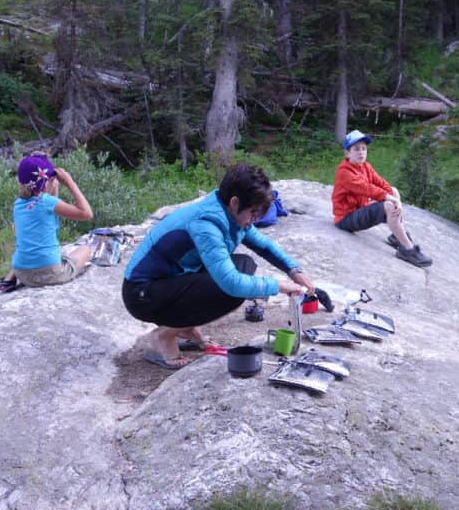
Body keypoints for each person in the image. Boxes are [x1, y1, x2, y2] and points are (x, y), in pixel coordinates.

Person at [121, 163, 315, 369]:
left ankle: (183, 327)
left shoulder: (230, 213)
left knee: (244, 265)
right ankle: (163, 336)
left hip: (167, 283)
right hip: (142, 294)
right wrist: (278, 286)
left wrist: (294, 270)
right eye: (254, 212)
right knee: (230, 290)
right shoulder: (206, 223)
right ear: (234, 202)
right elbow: (231, 283)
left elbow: (264, 246)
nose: (255, 220)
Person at [331, 129, 432, 268]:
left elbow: (382, 184)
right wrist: (393, 200)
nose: (361, 152)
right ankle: (408, 250)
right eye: (356, 149)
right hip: (345, 219)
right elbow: (367, 188)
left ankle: (398, 235)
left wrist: (395, 197)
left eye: (363, 148)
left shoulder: (366, 166)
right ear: (347, 153)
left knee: (393, 191)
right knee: (388, 205)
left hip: (359, 210)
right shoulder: (344, 172)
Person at [0, 153, 94, 291]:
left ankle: (9, 278)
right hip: (50, 274)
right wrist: (69, 182)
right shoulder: (47, 202)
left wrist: (52, 188)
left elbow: (33, 221)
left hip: (23, 273)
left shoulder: (18, 204)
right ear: (45, 183)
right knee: (85, 250)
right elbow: (87, 214)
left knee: (26, 246)